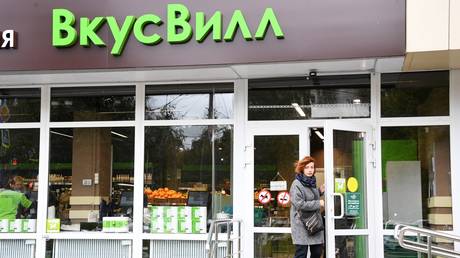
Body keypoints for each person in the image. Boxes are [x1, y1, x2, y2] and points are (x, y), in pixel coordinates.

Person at [290, 156, 325, 258]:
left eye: (312, 167)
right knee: (301, 254)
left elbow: (309, 197)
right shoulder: (296, 184)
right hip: (301, 224)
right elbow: (299, 204)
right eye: (307, 167)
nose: (310, 170)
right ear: (302, 168)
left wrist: (319, 191)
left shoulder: (311, 182)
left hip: (314, 223)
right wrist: (318, 203)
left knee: (317, 252)